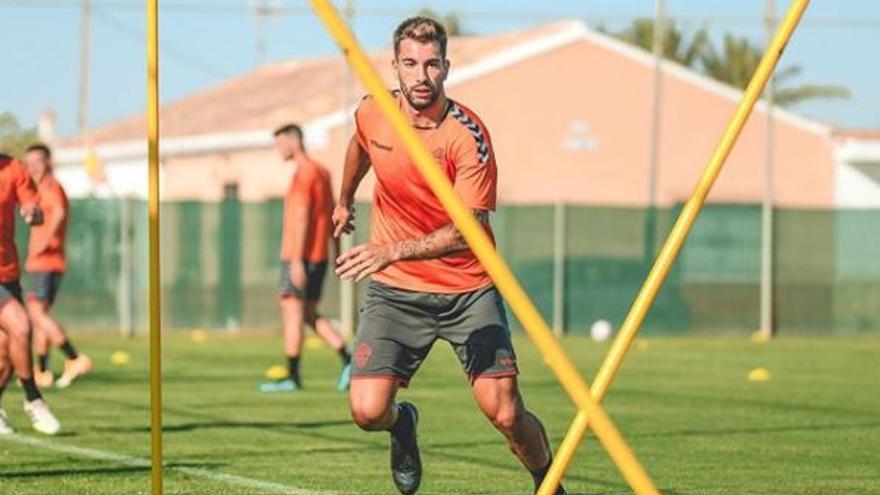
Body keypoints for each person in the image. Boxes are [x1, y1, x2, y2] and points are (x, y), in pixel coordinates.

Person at [333, 17, 566, 495]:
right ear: (394, 66)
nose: (421, 76)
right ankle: (403, 424)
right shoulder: (374, 112)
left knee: (504, 411)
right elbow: (360, 145)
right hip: (397, 292)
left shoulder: (467, 136)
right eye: (411, 64)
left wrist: (390, 250)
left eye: (432, 64)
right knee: (367, 411)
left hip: (467, 290)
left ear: (446, 68)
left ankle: (548, 482)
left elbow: (468, 231)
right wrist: (343, 199)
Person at [260, 124, 352, 393]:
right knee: (309, 314)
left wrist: (297, 260)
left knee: (292, 312)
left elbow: (301, 218)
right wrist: (335, 253)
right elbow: (335, 212)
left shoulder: (304, 174)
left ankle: (292, 376)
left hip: (298, 256)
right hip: (319, 256)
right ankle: (349, 360)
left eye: (279, 144)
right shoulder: (322, 172)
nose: (278, 150)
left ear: (293, 142)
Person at [0, 152, 60, 435]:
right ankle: (33, 399)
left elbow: (30, 207)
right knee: (21, 325)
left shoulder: (14, 169)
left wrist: (31, 213)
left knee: (6, 355)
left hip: (7, 272)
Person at [24, 143, 92, 389]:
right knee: (40, 317)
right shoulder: (38, 189)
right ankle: (42, 370)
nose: (32, 166)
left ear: (48, 162)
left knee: (36, 314)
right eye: (29, 161)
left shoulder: (51, 187)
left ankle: (74, 357)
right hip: (42, 263)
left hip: (46, 262)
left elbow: (60, 213)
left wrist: (44, 242)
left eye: (38, 161)